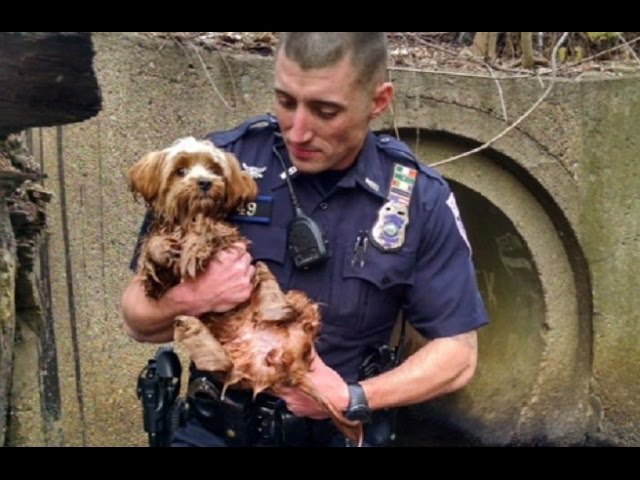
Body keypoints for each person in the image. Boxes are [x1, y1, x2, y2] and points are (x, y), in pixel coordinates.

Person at [122, 32, 488, 447]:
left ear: (378, 102)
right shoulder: (221, 167)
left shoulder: (417, 196)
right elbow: (137, 319)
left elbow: (458, 355)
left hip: (333, 432)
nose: (297, 131)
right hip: (215, 429)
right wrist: (193, 299)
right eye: (285, 101)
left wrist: (353, 398)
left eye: (325, 111)